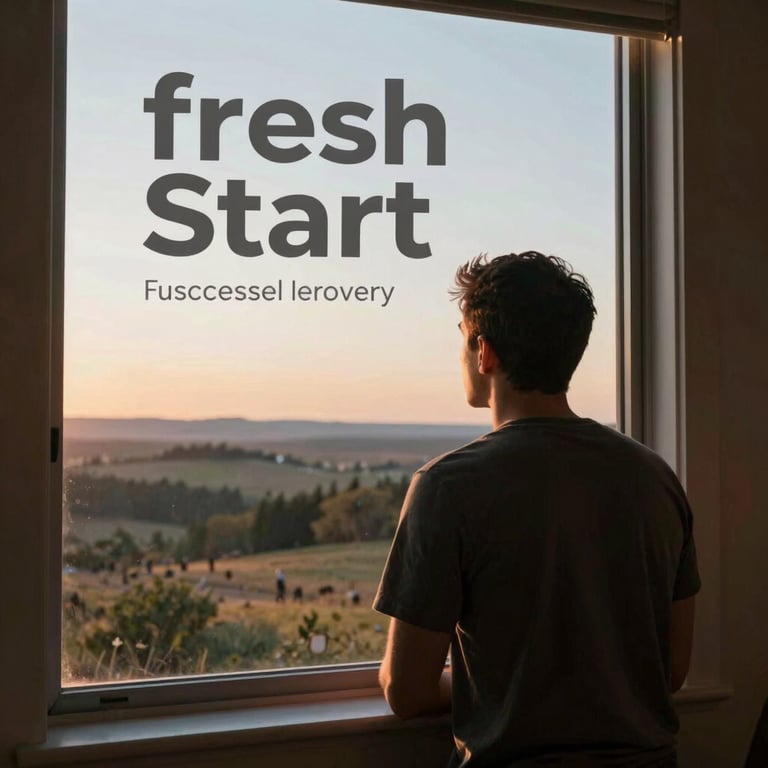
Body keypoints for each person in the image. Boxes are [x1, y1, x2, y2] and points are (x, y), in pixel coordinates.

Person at [373, 251, 700, 768]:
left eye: (463, 338)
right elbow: (671, 669)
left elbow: (406, 691)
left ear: (484, 352)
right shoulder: (655, 477)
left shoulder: (446, 487)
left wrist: (504, 691)